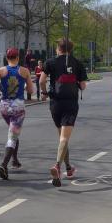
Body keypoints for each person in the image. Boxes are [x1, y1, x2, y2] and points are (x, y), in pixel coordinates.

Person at [40, 38, 88, 187]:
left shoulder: (50, 62)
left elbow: (41, 81)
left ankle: (68, 168)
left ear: (58, 48)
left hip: (55, 104)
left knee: (62, 137)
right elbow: (83, 86)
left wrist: (44, 93)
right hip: (70, 104)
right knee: (64, 138)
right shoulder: (78, 63)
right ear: (70, 49)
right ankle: (57, 166)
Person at [0, 48, 34, 180]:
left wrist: (1, 87)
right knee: (13, 136)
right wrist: (24, 86)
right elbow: (31, 90)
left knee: (13, 132)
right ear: (18, 58)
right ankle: (3, 165)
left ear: (6, 58)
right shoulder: (24, 71)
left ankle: (15, 160)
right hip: (17, 107)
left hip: (4, 106)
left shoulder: (1, 70)